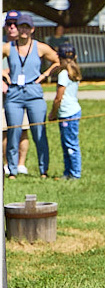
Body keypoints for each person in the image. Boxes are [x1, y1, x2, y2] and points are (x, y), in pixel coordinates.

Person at [2, 12, 59, 179]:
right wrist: (3, 74)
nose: (23, 30)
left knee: (39, 131)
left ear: (32, 29)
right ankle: (12, 170)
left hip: (34, 93)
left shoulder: (40, 47)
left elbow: (57, 60)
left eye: (27, 27)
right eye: (21, 27)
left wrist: (45, 75)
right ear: (17, 29)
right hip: (14, 94)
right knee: (14, 131)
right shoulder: (8, 47)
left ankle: (43, 170)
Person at [48, 43, 83, 179]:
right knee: (67, 143)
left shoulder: (63, 74)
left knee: (70, 144)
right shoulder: (74, 71)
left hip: (68, 113)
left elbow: (58, 98)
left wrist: (53, 113)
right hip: (72, 111)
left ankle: (75, 173)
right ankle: (67, 172)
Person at [3, 10, 30, 175]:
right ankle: (7, 164)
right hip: (4, 94)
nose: (12, 27)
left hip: (22, 93)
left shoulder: (29, 46)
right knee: (5, 130)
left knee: (24, 128)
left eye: (16, 24)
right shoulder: (3, 46)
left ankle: (21, 164)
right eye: (9, 24)